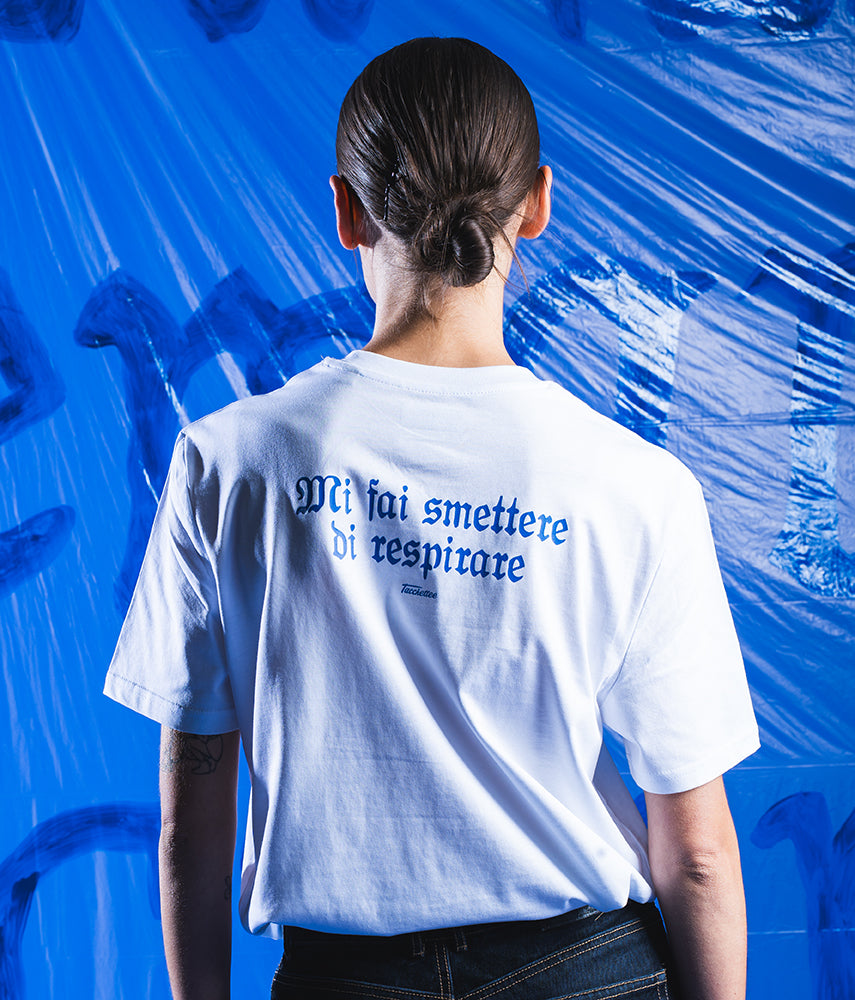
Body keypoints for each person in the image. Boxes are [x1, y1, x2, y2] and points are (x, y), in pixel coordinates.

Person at [105, 36, 759, 1000]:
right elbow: (696, 854)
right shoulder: (636, 485)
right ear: (536, 203)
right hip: (587, 973)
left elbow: (188, 822)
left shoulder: (227, 462)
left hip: (343, 981)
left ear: (345, 210)